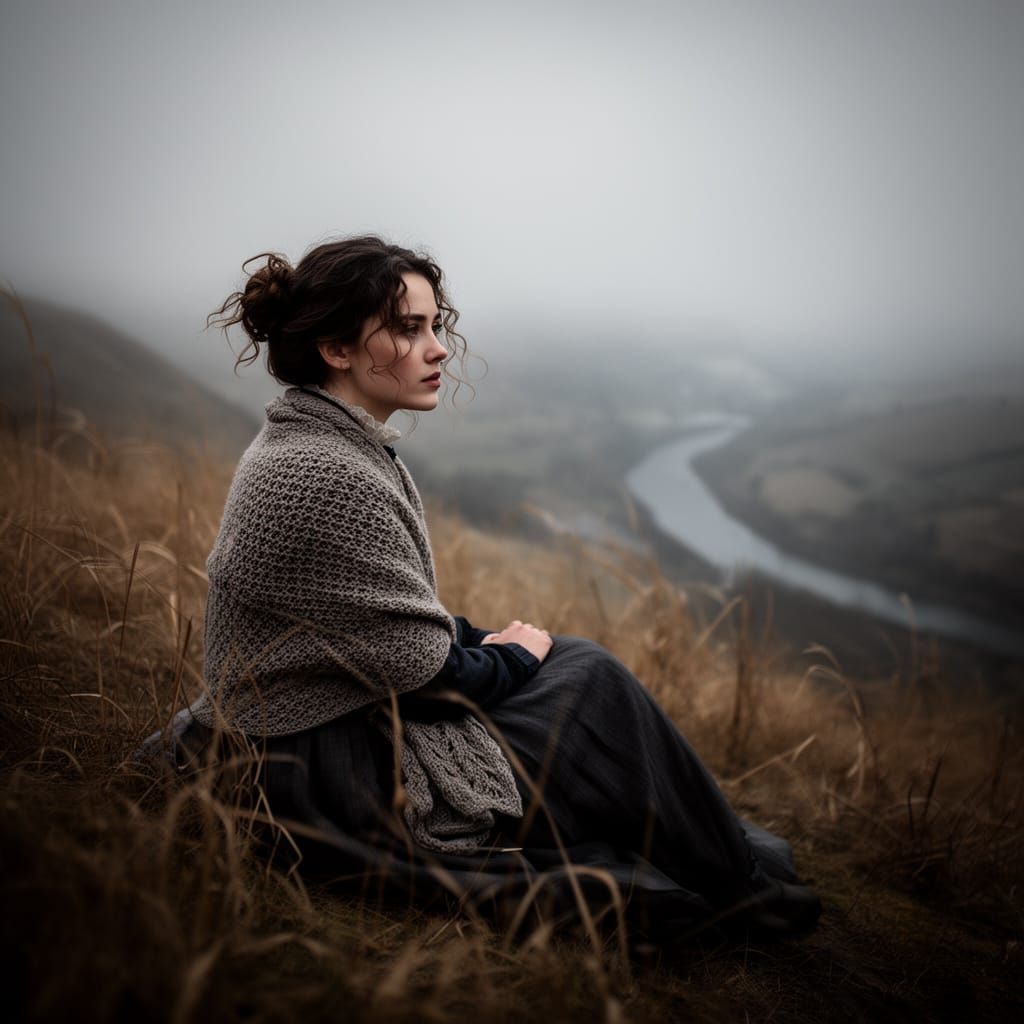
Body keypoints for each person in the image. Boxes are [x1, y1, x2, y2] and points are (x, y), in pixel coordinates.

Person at [145, 234, 820, 947]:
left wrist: (492, 645)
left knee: (567, 665)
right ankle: (734, 878)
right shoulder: (324, 473)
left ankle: (717, 846)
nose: (439, 348)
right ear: (336, 349)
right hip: (324, 773)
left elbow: (382, 624)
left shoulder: (326, 445)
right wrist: (518, 659)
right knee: (586, 676)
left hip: (321, 735)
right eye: (410, 329)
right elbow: (426, 675)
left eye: (436, 326)